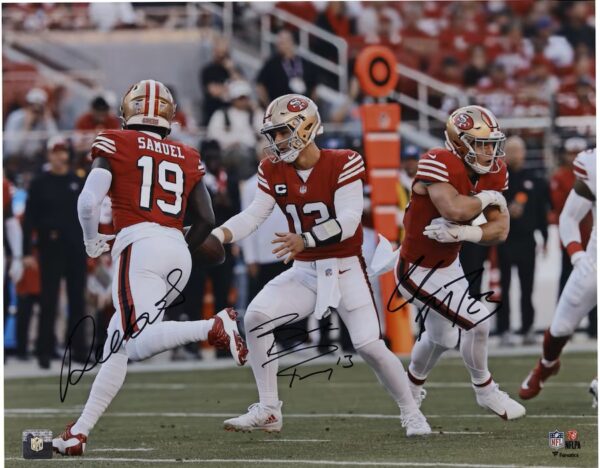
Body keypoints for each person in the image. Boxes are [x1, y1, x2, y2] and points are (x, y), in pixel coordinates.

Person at [212, 94, 430, 437]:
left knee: (369, 345)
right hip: (305, 270)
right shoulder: (272, 168)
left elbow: (348, 219)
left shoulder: (342, 161)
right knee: (255, 317)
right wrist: (219, 234)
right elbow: (255, 214)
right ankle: (269, 409)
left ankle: (411, 410)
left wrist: (307, 239)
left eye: (283, 132)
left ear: (306, 127)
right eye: (274, 133)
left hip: (344, 267)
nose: (276, 141)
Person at [52, 79, 248, 456]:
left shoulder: (116, 141)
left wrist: (91, 239)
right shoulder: (186, 154)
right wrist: (179, 245)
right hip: (176, 252)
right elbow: (206, 218)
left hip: (139, 249)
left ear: (128, 110)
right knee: (116, 346)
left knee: (138, 343)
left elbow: (89, 203)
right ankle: (79, 432)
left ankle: (213, 324)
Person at [374, 105, 526, 420]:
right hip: (415, 268)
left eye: (491, 144)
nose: (490, 152)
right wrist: (487, 199)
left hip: (448, 265)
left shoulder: (495, 170)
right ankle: (485, 390)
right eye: (481, 144)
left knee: (442, 337)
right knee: (478, 320)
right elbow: (453, 209)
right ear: (459, 143)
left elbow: (501, 229)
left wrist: (467, 232)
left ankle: (411, 388)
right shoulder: (437, 161)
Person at [519, 148, 597, 403]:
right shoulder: (593, 165)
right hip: (595, 264)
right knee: (561, 327)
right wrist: (577, 254)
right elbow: (568, 217)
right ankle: (546, 365)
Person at [22, 136, 88, 369]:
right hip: (51, 247)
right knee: (48, 300)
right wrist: (26, 251)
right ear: (49, 155)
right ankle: (44, 350)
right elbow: (29, 219)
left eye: (63, 152)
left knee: (77, 300)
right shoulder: (40, 183)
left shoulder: (77, 181)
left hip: (76, 247)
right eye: (56, 152)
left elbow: (87, 214)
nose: (60, 156)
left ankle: (78, 349)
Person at [496, 136, 549, 345]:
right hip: (504, 240)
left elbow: (541, 211)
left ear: (524, 153)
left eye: (518, 150)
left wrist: (544, 237)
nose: (515, 155)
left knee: (528, 287)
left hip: (527, 240)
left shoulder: (534, 179)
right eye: (511, 150)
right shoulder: (498, 179)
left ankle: (528, 328)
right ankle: (504, 330)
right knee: (504, 287)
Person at [256, 30, 316, 108]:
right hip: (280, 110)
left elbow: (314, 85)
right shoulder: (272, 63)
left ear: (291, 42)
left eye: (282, 42)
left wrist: (310, 106)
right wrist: (269, 106)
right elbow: (260, 85)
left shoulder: (304, 63)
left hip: (302, 109)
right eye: (278, 43)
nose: (279, 45)